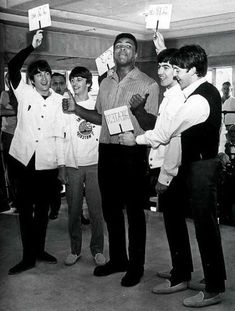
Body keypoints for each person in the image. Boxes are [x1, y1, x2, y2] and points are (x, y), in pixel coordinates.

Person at [119, 44, 226, 307]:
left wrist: (137, 141)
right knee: (201, 226)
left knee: (205, 227)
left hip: (200, 167)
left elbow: (166, 134)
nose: (172, 73)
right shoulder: (193, 91)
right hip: (195, 165)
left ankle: (212, 288)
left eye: (175, 68)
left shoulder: (198, 98)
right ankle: (200, 277)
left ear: (191, 69)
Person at [62, 33, 159, 286]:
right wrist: (76, 110)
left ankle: (136, 267)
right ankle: (118, 260)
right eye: (118, 46)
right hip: (106, 151)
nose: (122, 49)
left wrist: (138, 111)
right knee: (111, 210)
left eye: (128, 46)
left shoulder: (149, 84)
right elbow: (99, 117)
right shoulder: (104, 82)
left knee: (135, 214)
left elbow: (154, 126)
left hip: (132, 152)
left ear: (136, 54)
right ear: (113, 52)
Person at [7, 30, 62, 274]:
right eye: (38, 74)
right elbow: (12, 64)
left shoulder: (60, 101)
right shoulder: (23, 91)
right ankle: (27, 256)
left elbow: (62, 134)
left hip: (47, 163)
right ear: (31, 79)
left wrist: (60, 165)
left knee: (42, 211)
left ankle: (39, 250)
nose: (43, 77)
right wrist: (32, 46)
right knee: (25, 211)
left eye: (47, 73)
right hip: (22, 159)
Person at [55, 66, 105, 267]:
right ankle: (75, 250)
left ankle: (98, 250)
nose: (75, 83)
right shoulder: (65, 104)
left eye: (79, 80)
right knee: (74, 211)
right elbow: (60, 137)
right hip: (73, 165)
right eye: (73, 80)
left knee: (96, 211)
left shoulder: (96, 103)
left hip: (95, 164)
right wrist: (61, 165)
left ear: (88, 83)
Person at [0, 73, 19, 211]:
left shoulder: (24, 94)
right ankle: (15, 200)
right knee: (12, 170)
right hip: (9, 135)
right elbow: (1, 111)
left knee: (23, 170)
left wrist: (11, 110)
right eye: (9, 80)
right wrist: (18, 111)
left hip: (23, 135)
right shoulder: (5, 94)